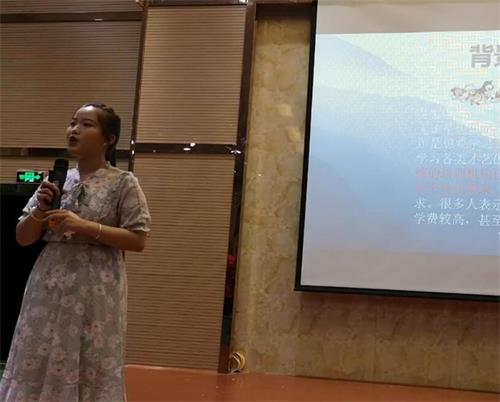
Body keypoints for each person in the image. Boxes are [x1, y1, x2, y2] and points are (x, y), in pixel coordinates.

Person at [0, 103, 151, 401]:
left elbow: (138, 239)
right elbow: (23, 238)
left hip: (97, 285)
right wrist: (40, 210)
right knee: (39, 348)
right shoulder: (56, 181)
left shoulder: (123, 183)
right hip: (48, 282)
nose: (74, 130)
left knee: (91, 353)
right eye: (72, 123)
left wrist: (84, 226)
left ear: (108, 139)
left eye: (86, 124)